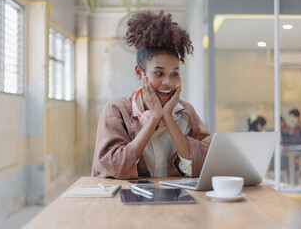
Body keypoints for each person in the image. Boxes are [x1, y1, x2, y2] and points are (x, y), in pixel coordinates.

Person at [91, 11, 212, 179]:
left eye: (174, 74)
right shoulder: (116, 110)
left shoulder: (186, 113)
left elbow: (206, 165)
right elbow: (113, 167)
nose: (168, 82)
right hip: (126, 203)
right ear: (140, 73)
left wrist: (168, 118)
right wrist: (154, 118)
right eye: (159, 73)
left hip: (177, 203)